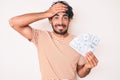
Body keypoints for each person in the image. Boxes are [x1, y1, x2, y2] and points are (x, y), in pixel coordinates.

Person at [9, 1, 98, 80]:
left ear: (69, 20)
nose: (60, 22)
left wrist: (87, 67)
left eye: (65, 17)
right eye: (56, 17)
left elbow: (81, 73)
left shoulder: (79, 43)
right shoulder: (40, 36)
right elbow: (13, 22)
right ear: (50, 20)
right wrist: (47, 13)